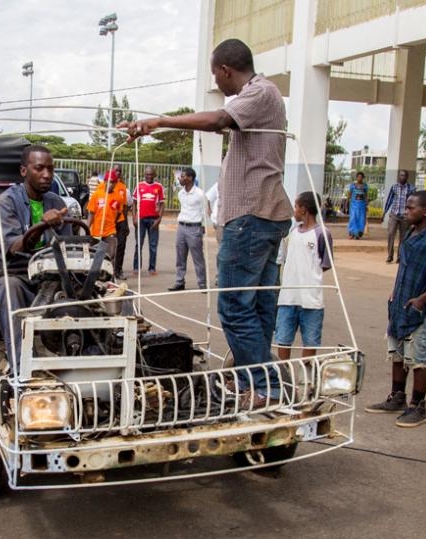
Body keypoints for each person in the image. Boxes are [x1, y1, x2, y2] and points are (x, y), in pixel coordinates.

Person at [120, 38, 293, 405]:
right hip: (262, 216)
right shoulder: (261, 96)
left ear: (226, 70)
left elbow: (217, 120)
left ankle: (267, 387)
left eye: (216, 76)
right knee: (258, 307)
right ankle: (254, 383)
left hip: (251, 217)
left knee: (233, 309)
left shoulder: (259, 92)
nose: (218, 84)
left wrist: (159, 121)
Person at [365, 191, 426, 427]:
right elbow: (403, 269)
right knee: (397, 353)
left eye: (411, 208)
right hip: (399, 306)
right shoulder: (410, 234)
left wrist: (423, 299)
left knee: (418, 360)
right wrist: (395, 293)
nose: (406, 211)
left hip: (421, 311)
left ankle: (418, 406)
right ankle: (397, 397)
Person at [0, 144, 71, 368]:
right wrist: (42, 226)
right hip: (10, 272)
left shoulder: (56, 202)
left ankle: (82, 358)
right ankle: (21, 367)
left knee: (94, 289)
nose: (47, 175)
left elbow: (66, 248)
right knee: (10, 288)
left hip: (46, 275)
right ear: (24, 171)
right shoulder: (6, 202)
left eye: (51, 169)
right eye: (40, 168)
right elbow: (15, 248)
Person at [275, 192, 333, 360]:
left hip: (311, 299)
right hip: (288, 297)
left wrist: (309, 275)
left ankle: (305, 377)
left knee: (310, 341)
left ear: (304, 209)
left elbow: (325, 264)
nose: (294, 210)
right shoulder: (292, 233)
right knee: (282, 339)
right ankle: (284, 375)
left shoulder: (322, 233)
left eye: (296, 206)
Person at [168, 167, 207, 291]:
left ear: (190, 178)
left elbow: (204, 211)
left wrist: (202, 227)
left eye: (183, 176)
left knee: (198, 257)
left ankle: (202, 283)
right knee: (180, 257)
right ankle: (179, 282)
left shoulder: (200, 194)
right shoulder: (181, 193)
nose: (181, 178)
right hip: (181, 227)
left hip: (194, 228)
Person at [132, 166, 165, 276]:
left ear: (154, 175)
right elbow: (134, 202)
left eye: (151, 174)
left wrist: (159, 219)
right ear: (144, 174)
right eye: (147, 174)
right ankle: (136, 267)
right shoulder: (139, 185)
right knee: (138, 244)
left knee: (153, 245)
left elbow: (162, 204)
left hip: (153, 220)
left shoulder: (158, 187)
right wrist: (134, 217)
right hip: (141, 219)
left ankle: (152, 268)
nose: (149, 176)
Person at [87, 171, 126, 261]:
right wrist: (87, 229)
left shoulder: (118, 198)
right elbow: (91, 214)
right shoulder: (96, 195)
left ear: (116, 183)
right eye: (108, 181)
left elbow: (119, 213)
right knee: (93, 257)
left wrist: (112, 223)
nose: (110, 184)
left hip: (110, 232)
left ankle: (110, 274)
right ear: (104, 182)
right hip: (96, 233)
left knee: (110, 255)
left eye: (112, 182)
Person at [383, 169, 415, 263]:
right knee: (390, 234)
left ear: (407, 177)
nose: (402, 177)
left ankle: (400, 256)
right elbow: (389, 200)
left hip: (405, 216)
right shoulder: (394, 187)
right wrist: (384, 212)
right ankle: (390, 255)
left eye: (404, 175)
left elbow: (413, 203)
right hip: (394, 214)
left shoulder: (411, 188)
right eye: (401, 175)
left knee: (403, 237)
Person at [110, 165, 131, 280]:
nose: (117, 172)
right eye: (115, 170)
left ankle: (119, 270)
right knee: (110, 247)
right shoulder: (105, 185)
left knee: (121, 245)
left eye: (119, 171)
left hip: (121, 221)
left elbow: (125, 208)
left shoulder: (123, 188)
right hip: (109, 222)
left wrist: (127, 224)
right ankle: (109, 270)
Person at [205, 179, 220, 285]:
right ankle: (220, 276)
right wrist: (209, 211)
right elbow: (208, 197)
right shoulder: (219, 184)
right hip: (219, 222)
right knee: (222, 249)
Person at [347, 172, 368, 239]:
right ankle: (351, 233)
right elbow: (349, 194)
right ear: (356, 177)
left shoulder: (365, 186)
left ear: (363, 178)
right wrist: (347, 202)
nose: (359, 178)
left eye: (361, 177)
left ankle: (358, 234)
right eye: (358, 177)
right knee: (353, 218)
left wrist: (366, 204)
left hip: (362, 206)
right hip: (353, 205)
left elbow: (366, 195)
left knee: (361, 219)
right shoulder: (352, 185)